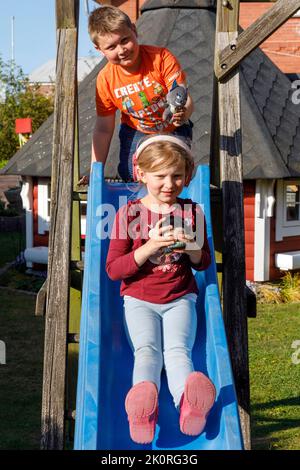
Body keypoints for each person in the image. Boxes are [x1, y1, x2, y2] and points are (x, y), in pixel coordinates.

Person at [106, 135, 216, 445]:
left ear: (187, 175)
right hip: (139, 300)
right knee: (147, 351)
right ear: (141, 173)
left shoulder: (192, 212)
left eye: (177, 175)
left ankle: (188, 403)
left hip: (180, 297)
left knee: (178, 351)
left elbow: (203, 262)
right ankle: (143, 410)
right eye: (161, 176)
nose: (170, 183)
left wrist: (192, 246)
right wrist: (150, 246)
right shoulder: (128, 214)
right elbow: (115, 270)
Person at [80, 5, 194, 184]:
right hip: (137, 130)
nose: (121, 50)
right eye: (111, 47)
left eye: (125, 40)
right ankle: (138, 207)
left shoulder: (161, 58)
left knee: (174, 170)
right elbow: (103, 128)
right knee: (129, 173)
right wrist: (96, 170)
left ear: (134, 29)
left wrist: (182, 112)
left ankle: (175, 205)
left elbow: (182, 95)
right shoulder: (106, 79)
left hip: (174, 126)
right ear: (99, 49)